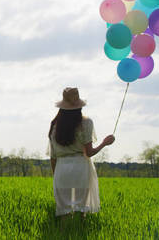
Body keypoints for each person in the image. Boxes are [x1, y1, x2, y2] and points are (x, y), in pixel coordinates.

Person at [48, 87, 115, 218]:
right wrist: (104, 143)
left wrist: (55, 174)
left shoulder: (55, 125)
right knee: (81, 211)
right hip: (81, 167)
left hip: (61, 168)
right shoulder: (86, 123)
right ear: (79, 106)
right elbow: (89, 152)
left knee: (64, 212)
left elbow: (53, 156)